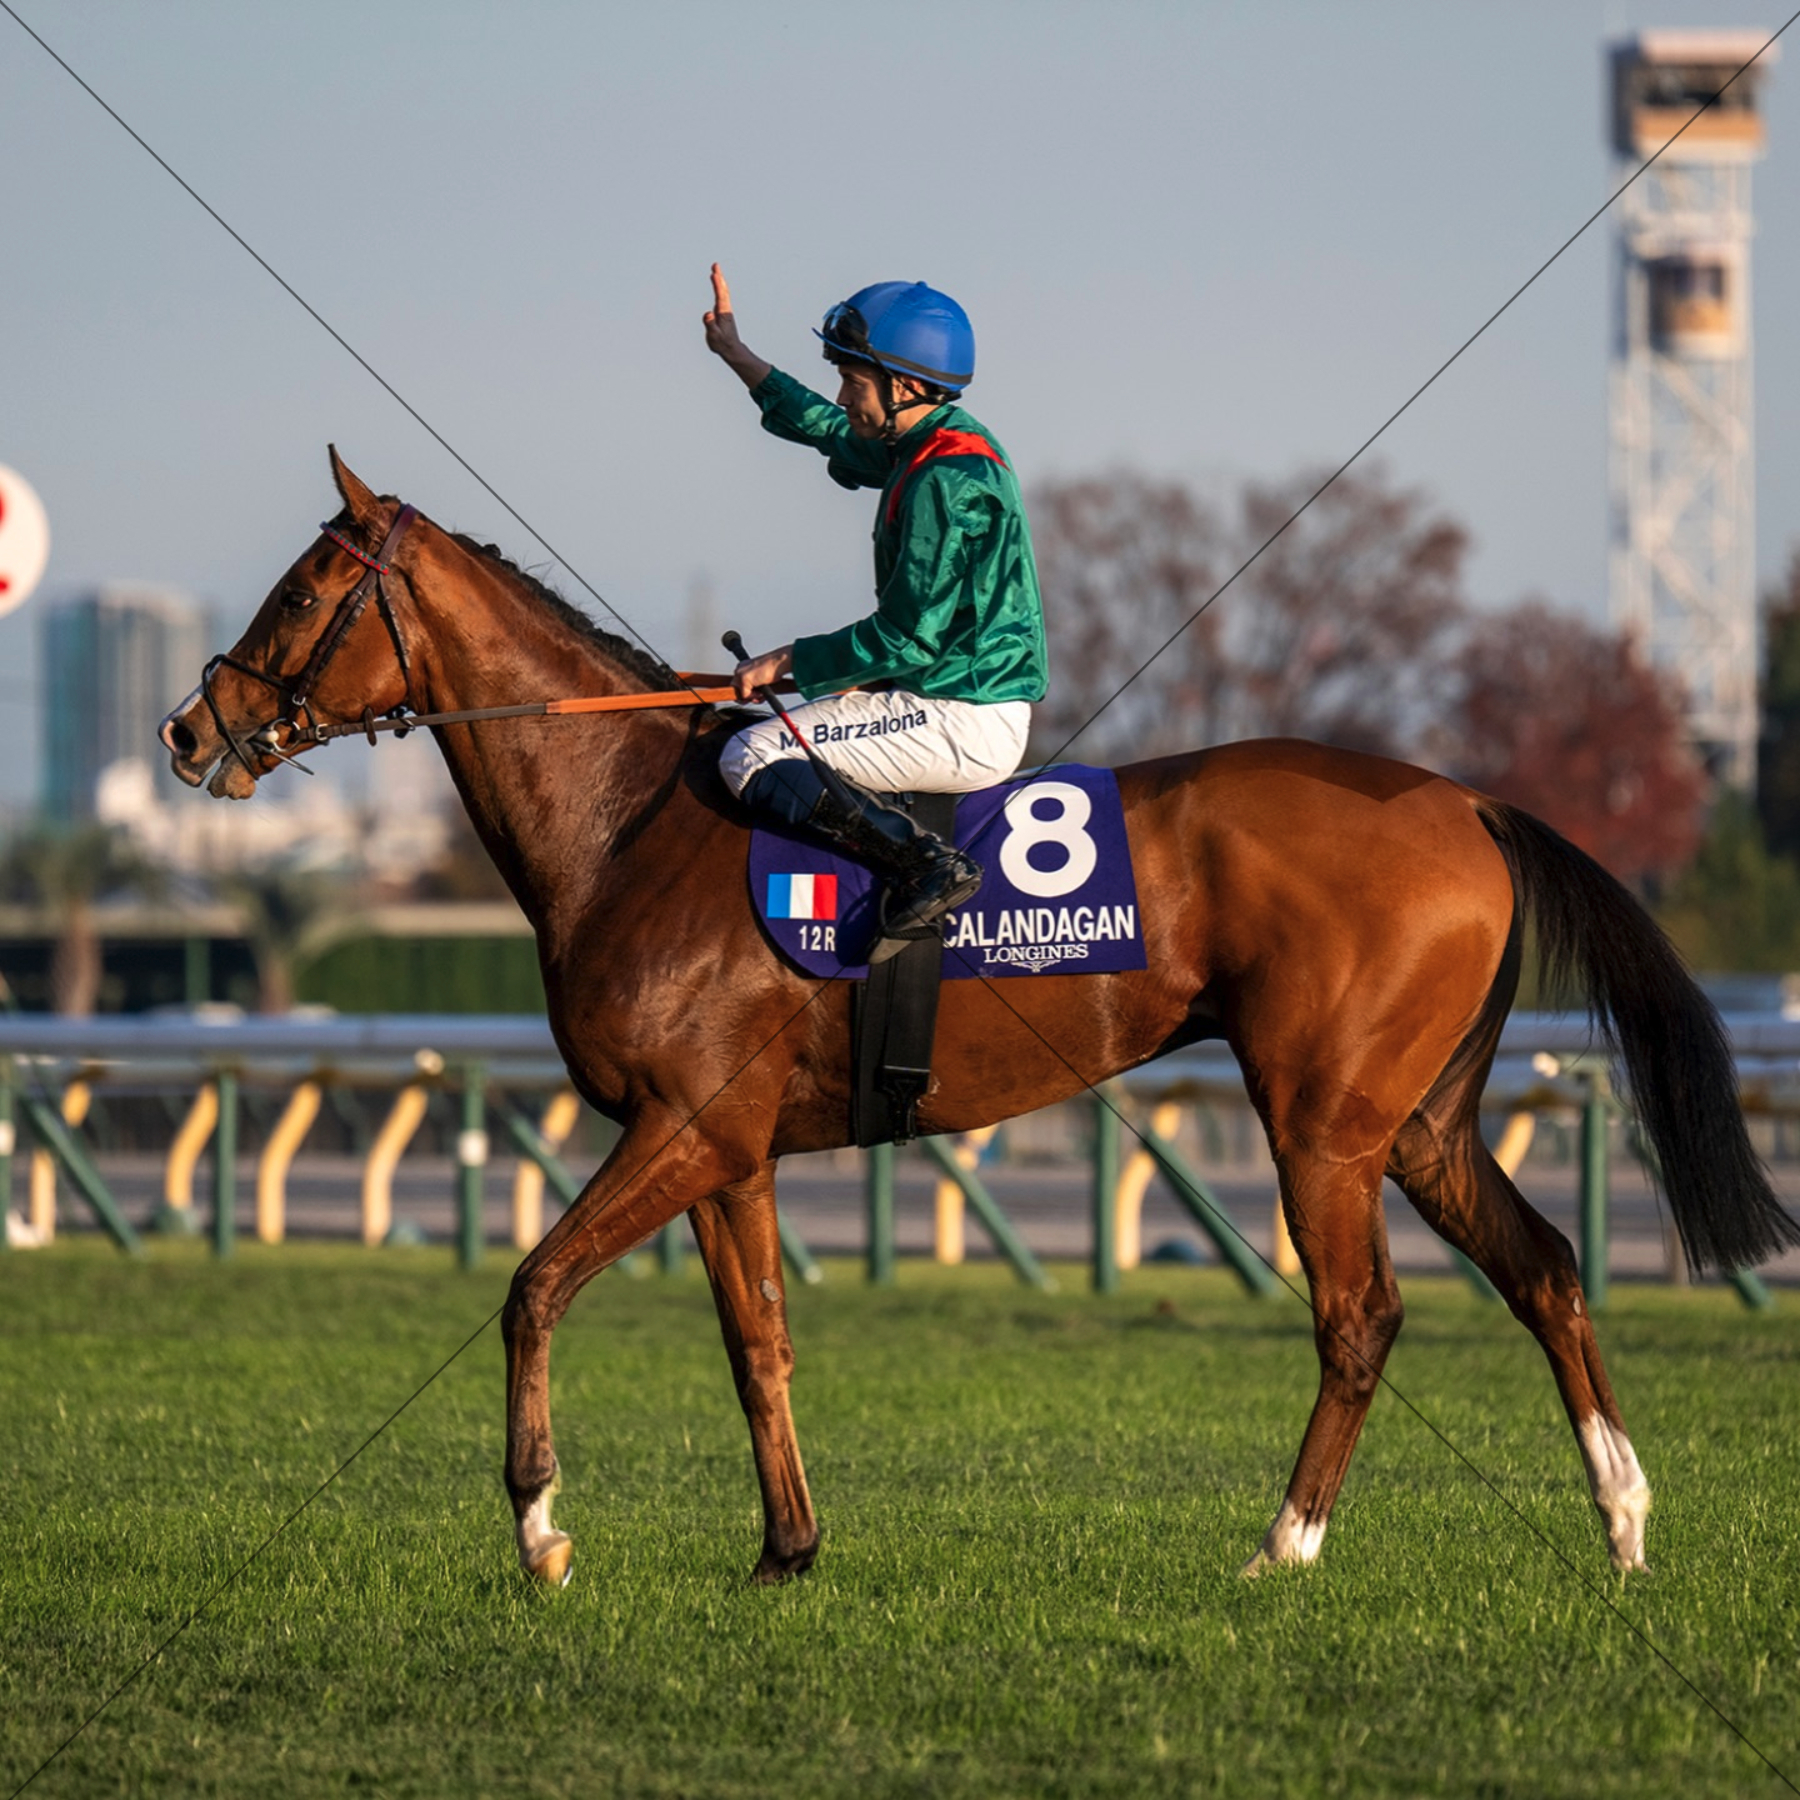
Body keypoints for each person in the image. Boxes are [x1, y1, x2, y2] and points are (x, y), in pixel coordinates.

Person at [703, 264, 1048, 957]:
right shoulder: (931, 443)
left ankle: (925, 864)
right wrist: (739, 357)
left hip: (964, 714)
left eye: (853, 382)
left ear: (907, 385)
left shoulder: (945, 478)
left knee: (751, 754)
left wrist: (791, 660)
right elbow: (833, 431)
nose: (843, 395)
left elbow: (908, 637)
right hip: (948, 694)